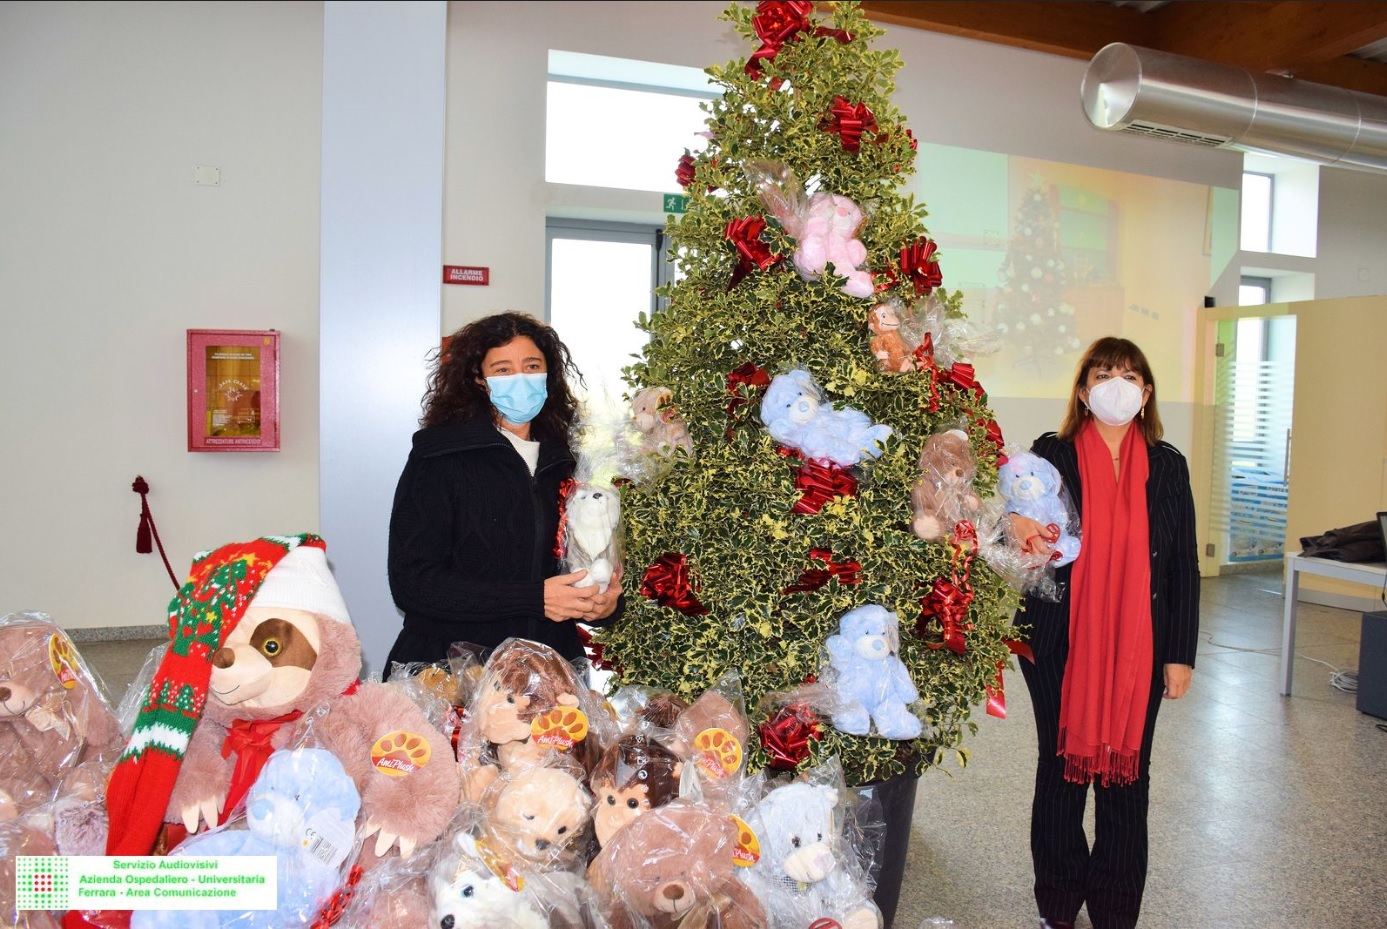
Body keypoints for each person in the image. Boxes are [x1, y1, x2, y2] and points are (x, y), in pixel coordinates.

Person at [1009, 336, 1199, 929]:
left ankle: (1116, 913)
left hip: (1141, 648)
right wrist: (1014, 524)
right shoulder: (1051, 452)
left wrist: (1180, 654)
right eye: (1103, 372)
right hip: (1057, 639)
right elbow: (1012, 528)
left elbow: (1182, 564)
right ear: (1084, 388)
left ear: (1145, 393)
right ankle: (1058, 908)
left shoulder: (1168, 466)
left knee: (1127, 779)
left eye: (1129, 374)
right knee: (1060, 773)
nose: (1116, 383)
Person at [383, 312, 624, 677]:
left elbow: (582, 560)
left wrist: (605, 605)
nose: (521, 379)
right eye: (503, 369)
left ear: (549, 374)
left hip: (547, 676)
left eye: (532, 366)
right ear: (479, 379)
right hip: (451, 676)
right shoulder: (440, 456)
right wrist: (533, 599)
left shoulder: (567, 459)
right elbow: (412, 584)